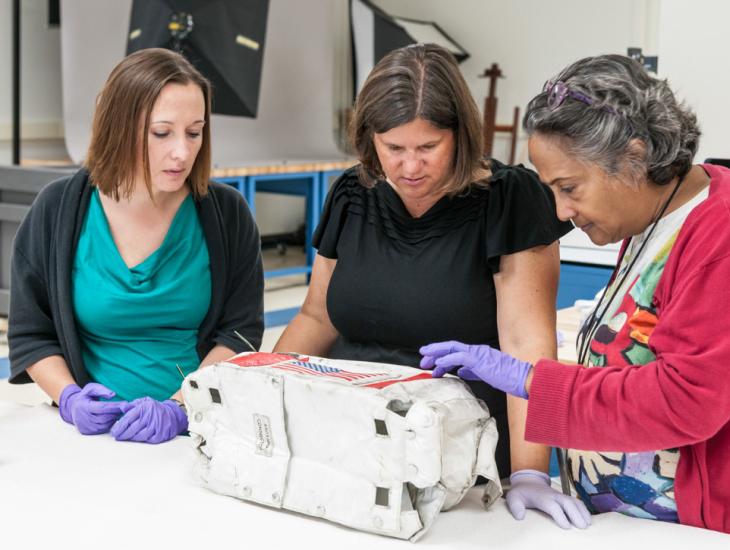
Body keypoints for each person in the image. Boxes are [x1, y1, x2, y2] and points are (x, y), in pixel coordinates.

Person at [420, 54, 730, 543]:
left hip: (713, 526)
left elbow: (686, 402)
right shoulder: (654, 217)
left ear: (633, 158)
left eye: (569, 188)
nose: (563, 211)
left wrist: (531, 380)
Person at [273, 44, 589, 529]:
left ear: (460, 136)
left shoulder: (509, 199)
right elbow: (317, 317)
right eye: (393, 148)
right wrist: (259, 391)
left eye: (428, 148)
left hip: (459, 460)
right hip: (353, 441)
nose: (409, 167)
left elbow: (527, 347)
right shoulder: (354, 193)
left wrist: (529, 473)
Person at [8, 48, 263, 444]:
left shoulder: (227, 213)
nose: (182, 152)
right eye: (162, 133)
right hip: (87, 438)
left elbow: (241, 333)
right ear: (120, 128)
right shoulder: (58, 210)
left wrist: (182, 407)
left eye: (194, 132)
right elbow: (31, 334)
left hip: (195, 430)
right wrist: (69, 397)